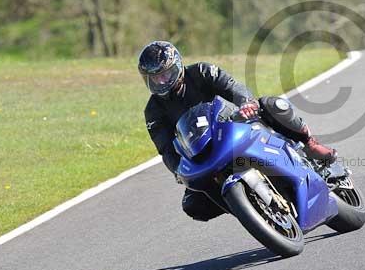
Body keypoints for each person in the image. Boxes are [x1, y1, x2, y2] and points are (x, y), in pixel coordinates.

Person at [138, 40, 337, 222]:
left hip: (230, 125)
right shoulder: (153, 111)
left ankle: (310, 143)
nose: (162, 81)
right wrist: (177, 170)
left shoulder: (201, 71)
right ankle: (249, 208)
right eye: (155, 78)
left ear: (177, 66)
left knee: (270, 104)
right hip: (202, 151)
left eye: (166, 74)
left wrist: (245, 103)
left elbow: (233, 87)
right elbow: (165, 148)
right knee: (193, 204)